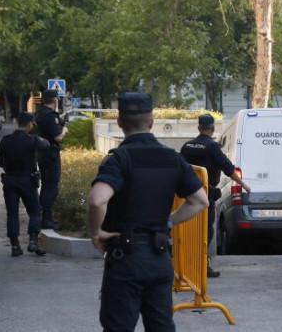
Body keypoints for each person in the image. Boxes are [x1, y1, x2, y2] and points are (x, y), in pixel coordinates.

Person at [88, 92, 209, 332]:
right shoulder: (173, 159)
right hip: (159, 257)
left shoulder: (119, 159)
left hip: (126, 257)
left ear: (120, 123)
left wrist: (96, 233)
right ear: (151, 122)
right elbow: (200, 201)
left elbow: (97, 201)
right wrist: (168, 222)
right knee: (161, 326)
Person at [180, 114, 251, 278]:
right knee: (205, 233)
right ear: (212, 129)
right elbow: (228, 169)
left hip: (185, 197)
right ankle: (202, 266)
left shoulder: (186, 146)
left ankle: (185, 266)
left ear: (198, 128)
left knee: (186, 231)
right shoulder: (212, 147)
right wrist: (244, 185)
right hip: (205, 197)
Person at [0, 112, 50, 256]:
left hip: (9, 180)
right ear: (30, 125)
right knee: (34, 211)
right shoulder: (33, 140)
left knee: (12, 214)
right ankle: (33, 242)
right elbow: (46, 145)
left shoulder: (5, 140)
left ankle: (15, 246)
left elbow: (1, 162)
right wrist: (35, 134)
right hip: (27, 181)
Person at [35, 89, 69, 229]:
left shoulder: (38, 114)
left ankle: (41, 216)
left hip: (41, 154)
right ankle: (46, 218)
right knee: (52, 187)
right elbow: (57, 137)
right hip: (51, 155)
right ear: (55, 100)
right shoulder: (51, 116)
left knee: (45, 186)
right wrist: (64, 130)